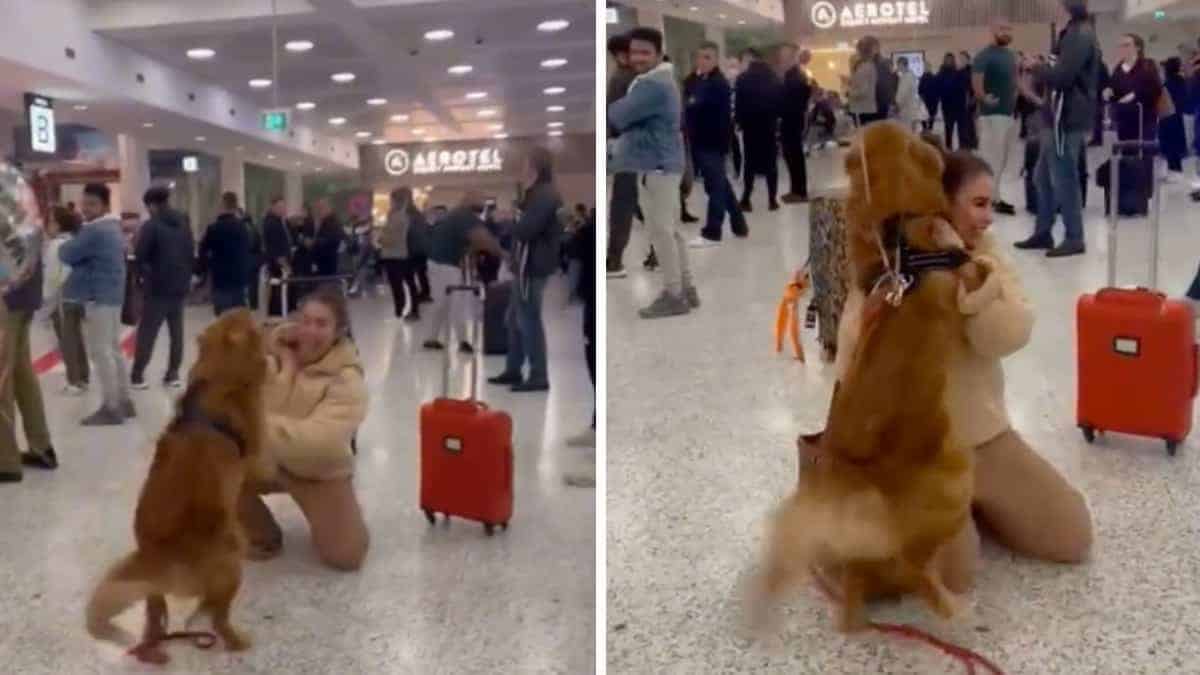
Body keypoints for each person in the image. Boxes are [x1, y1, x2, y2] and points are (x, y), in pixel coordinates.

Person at [834, 150, 1092, 592]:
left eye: (991, 204)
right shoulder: (892, 261)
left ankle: (975, 504)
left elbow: (1006, 336)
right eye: (978, 204)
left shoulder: (985, 258)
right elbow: (849, 362)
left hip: (983, 436)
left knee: (1072, 537)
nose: (989, 217)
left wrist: (966, 274)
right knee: (954, 575)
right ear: (941, 204)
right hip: (917, 448)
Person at [237, 285, 369, 570]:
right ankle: (261, 535)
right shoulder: (273, 353)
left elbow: (322, 442)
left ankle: (343, 517)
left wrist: (256, 425)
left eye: (322, 324)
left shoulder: (347, 379)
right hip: (268, 460)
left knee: (346, 557)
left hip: (317, 472)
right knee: (210, 465)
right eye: (305, 321)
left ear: (339, 332)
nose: (310, 331)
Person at [608, 27, 692, 319]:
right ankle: (686, 288)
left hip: (657, 165)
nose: (638, 58)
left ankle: (674, 294)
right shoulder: (657, 80)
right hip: (661, 163)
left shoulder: (652, 85)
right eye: (634, 53)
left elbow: (617, 114)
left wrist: (621, 108)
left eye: (645, 52)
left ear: (658, 54)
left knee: (661, 232)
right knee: (670, 230)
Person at [1015, 0, 1100, 258]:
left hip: (1067, 116)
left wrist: (1035, 67)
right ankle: (1044, 231)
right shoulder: (1073, 31)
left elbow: (1063, 76)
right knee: (1042, 177)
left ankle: (1074, 237)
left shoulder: (1080, 34)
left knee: (1065, 178)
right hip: (1059, 115)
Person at [488, 148, 562, 393]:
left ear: (535, 167)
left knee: (528, 320)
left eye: (525, 162)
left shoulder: (544, 195)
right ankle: (513, 368)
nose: (521, 168)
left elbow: (527, 230)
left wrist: (508, 220)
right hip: (524, 265)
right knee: (514, 319)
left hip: (533, 266)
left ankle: (538, 374)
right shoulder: (534, 194)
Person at [59, 183, 134, 426]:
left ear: (103, 205)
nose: (86, 208)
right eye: (85, 203)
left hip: (98, 296)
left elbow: (67, 253)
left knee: (101, 352)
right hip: (112, 295)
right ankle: (124, 401)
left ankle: (111, 407)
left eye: (92, 204)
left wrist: (68, 245)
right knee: (113, 349)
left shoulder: (95, 231)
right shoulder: (114, 227)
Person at [0, 204, 54, 480]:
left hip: (5, 301)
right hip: (25, 299)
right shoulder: (26, 212)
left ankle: (5, 461)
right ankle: (41, 445)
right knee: (22, 373)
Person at [422, 192, 505, 352]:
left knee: (442, 302)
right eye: (480, 199)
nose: (483, 203)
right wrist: (506, 256)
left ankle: (431, 338)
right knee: (456, 301)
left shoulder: (456, 214)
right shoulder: (465, 216)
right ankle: (462, 341)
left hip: (436, 262)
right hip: (446, 264)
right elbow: (484, 240)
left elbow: (471, 242)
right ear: (468, 201)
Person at [130, 186, 194, 390]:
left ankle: (138, 375)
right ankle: (173, 374)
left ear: (151, 205)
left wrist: (139, 275)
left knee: (147, 332)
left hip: (157, 287)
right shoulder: (184, 223)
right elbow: (190, 251)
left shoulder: (152, 226)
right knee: (177, 332)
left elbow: (140, 256)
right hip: (180, 286)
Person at [685, 41, 747, 247]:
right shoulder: (701, 80)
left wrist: (692, 104)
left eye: (708, 57)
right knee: (720, 183)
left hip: (711, 142)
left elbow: (694, 106)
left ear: (716, 59)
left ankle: (713, 231)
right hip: (702, 141)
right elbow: (690, 101)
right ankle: (739, 224)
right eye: (700, 57)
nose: (702, 61)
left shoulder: (716, 83)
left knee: (716, 187)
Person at [1105, 33, 1163, 203]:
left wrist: (1136, 95)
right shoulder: (1118, 69)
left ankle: (1145, 192)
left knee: (1145, 153)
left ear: (1137, 47)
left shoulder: (1147, 66)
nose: (1123, 48)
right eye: (1121, 45)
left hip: (1145, 119)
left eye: (1127, 44)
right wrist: (1109, 93)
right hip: (1125, 120)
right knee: (1128, 154)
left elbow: (1156, 89)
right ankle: (1132, 192)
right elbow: (1114, 89)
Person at [974, 18, 1020, 215]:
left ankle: (995, 197)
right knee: (990, 159)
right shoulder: (984, 56)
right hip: (991, 116)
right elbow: (976, 83)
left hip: (1009, 115)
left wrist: (1033, 98)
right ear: (992, 30)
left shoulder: (1010, 56)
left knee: (1003, 160)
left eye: (1009, 29)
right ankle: (985, 198)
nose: (1007, 32)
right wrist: (984, 97)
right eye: (1002, 29)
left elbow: (1016, 81)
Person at [44, 206, 89, 395]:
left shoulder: (55, 246)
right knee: (76, 336)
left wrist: (47, 300)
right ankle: (83, 376)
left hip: (62, 296)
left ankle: (73, 380)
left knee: (67, 339)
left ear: (57, 224)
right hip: (78, 294)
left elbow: (52, 276)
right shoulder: (75, 241)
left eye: (50, 222)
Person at [607, 33, 639, 279]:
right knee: (643, 204)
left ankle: (614, 260)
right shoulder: (634, 79)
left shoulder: (622, 79)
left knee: (623, 205)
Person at [735, 47, 782, 212]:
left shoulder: (742, 79)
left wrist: (739, 122)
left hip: (750, 127)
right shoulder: (773, 77)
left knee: (749, 163)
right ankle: (772, 200)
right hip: (769, 125)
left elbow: (739, 104)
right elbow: (779, 101)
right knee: (771, 164)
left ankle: (746, 199)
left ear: (750, 59)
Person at [199, 192, 253, 314]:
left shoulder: (214, 228)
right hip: (239, 279)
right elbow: (249, 249)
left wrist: (203, 271)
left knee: (223, 320)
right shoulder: (243, 228)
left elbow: (203, 251)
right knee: (238, 318)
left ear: (222, 205)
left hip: (221, 280)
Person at [379, 187, 422, 321]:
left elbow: (391, 237)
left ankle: (401, 308)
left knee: (399, 283)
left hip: (397, 254)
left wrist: (382, 238)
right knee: (409, 283)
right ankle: (408, 308)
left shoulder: (399, 216)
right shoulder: (407, 214)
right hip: (405, 253)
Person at [780, 45, 814, 205]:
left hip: (792, 119)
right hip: (791, 119)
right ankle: (796, 189)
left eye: (785, 56)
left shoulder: (796, 76)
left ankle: (799, 191)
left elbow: (797, 97)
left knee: (794, 155)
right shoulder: (792, 75)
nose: (782, 59)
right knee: (791, 155)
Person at [261, 197, 294, 317]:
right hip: (278, 265)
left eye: (284, 207)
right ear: (273, 207)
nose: (283, 210)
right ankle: (278, 317)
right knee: (279, 294)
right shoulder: (272, 224)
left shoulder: (280, 221)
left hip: (281, 262)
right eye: (280, 207)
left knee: (281, 293)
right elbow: (275, 248)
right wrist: (285, 265)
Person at [1160, 56, 1189, 179]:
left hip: (1168, 117)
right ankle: (1175, 170)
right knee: (1175, 144)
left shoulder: (1169, 84)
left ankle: (1174, 171)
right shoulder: (1182, 82)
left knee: (1170, 145)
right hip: (1177, 117)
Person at [847, 38, 881, 127]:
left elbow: (863, 91)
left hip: (861, 109)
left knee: (862, 136)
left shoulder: (865, 68)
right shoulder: (869, 66)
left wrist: (849, 93)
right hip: (866, 108)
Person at [937, 53, 968, 149]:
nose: (949, 62)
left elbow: (964, 88)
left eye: (950, 60)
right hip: (953, 106)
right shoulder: (956, 73)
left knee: (955, 129)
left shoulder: (944, 74)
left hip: (954, 106)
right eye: (948, 60)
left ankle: (954, 148)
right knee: (953, 129)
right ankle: (956, 148)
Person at [312, 198, 346, 277]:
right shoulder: (324, 221)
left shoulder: (333, 223)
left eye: (321, 208)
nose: (319, 211)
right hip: (325, 262)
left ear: (329, 208)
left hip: (328, 262)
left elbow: (334, 239)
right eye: (317, 209)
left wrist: (316, 242)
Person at [894, 56, 925, 131]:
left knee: (907, 131)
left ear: (901, 64)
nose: (897, 67)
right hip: (910, 107)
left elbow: (902, 94)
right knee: (911, 130)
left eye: (898, 65)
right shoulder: (910, 75)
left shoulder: (906, 77)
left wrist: (897, 104)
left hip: (907, 109)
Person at [919, 67, 939, 132]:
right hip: (932, 100)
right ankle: (930, 127)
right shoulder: (934, 77)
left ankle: (925, 127)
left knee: (923, 114)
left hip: (926, 99)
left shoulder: (923, 78)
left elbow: (920, 89)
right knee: (931, 114)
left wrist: (921, 96)